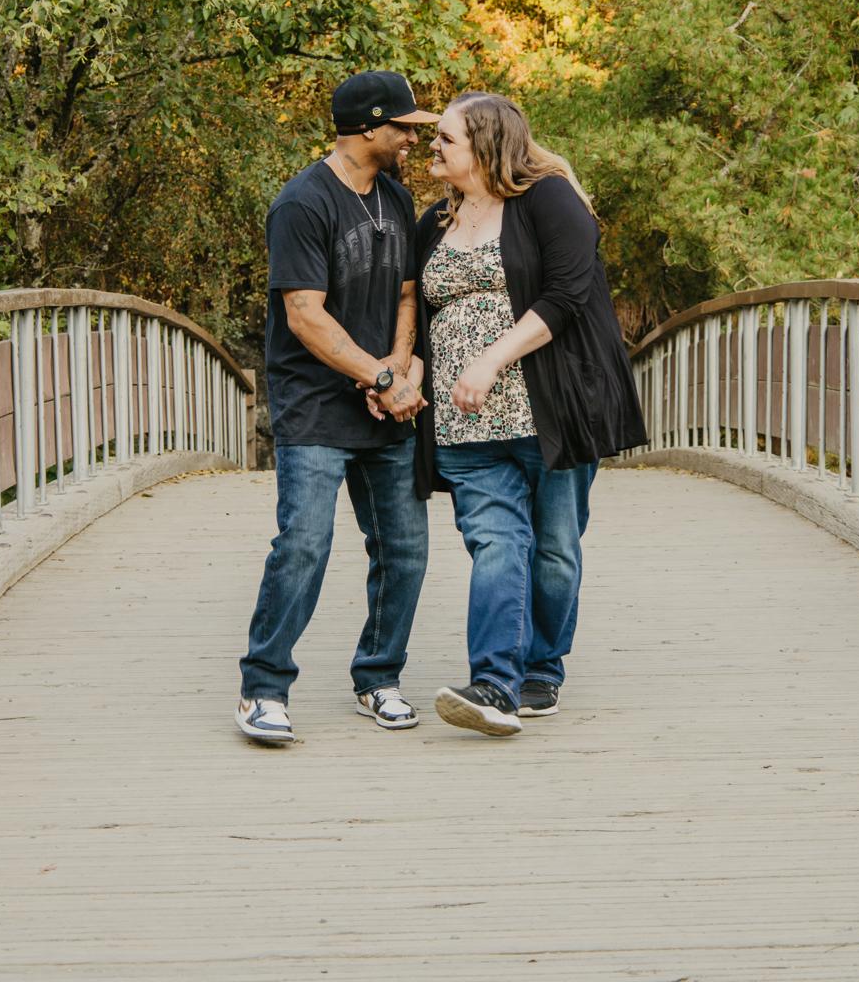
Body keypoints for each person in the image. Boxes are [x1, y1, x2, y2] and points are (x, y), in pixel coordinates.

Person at [404, 92, 647, 736]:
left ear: (485, 144)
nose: (434, 147)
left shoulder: (548, 200)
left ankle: (542, 668)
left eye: (447, 138)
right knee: (496, 544)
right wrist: (412, 374)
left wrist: (489, 361)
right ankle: (494, 682)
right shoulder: (433, 221)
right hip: (465, 426)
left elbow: (568, 294)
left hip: (552, 415)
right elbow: (421, 315)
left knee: (556, 550)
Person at [235, 70, 437, 745]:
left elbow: (408, 293)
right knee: (304, 545)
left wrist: (401, 370)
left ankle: (378, 677)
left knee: (404, 549)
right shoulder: (302, 203)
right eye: (404, 126)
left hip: (385, 399)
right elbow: (304, 317)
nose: (413, 136)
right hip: (316, 405)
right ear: (367, 126)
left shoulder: (395, 198)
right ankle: (264, 688)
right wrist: (379, 376)